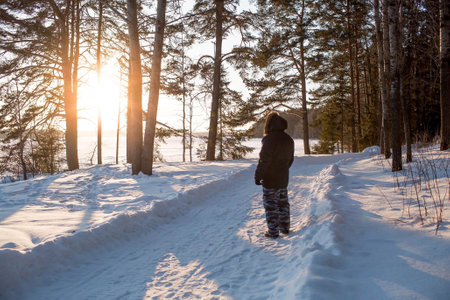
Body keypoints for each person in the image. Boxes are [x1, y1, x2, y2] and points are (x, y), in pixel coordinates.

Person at [254, 111, 294, 239]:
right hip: (283, 178)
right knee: (283, 203)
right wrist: (283, 170)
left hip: (270, 179)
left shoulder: (268, 139)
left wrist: (258, 176)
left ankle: (273, 232)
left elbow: (264, 160)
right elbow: (290, 160)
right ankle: (285, 228)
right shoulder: (289, 139)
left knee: (271, 205)